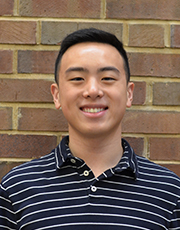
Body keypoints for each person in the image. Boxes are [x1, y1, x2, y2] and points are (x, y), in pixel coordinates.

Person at [0, 28, 180, 229]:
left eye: (108, 78)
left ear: (129, 94)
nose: (93, 90)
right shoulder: (16, 189)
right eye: (77, 79)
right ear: (57, 95)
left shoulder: (170, 192)